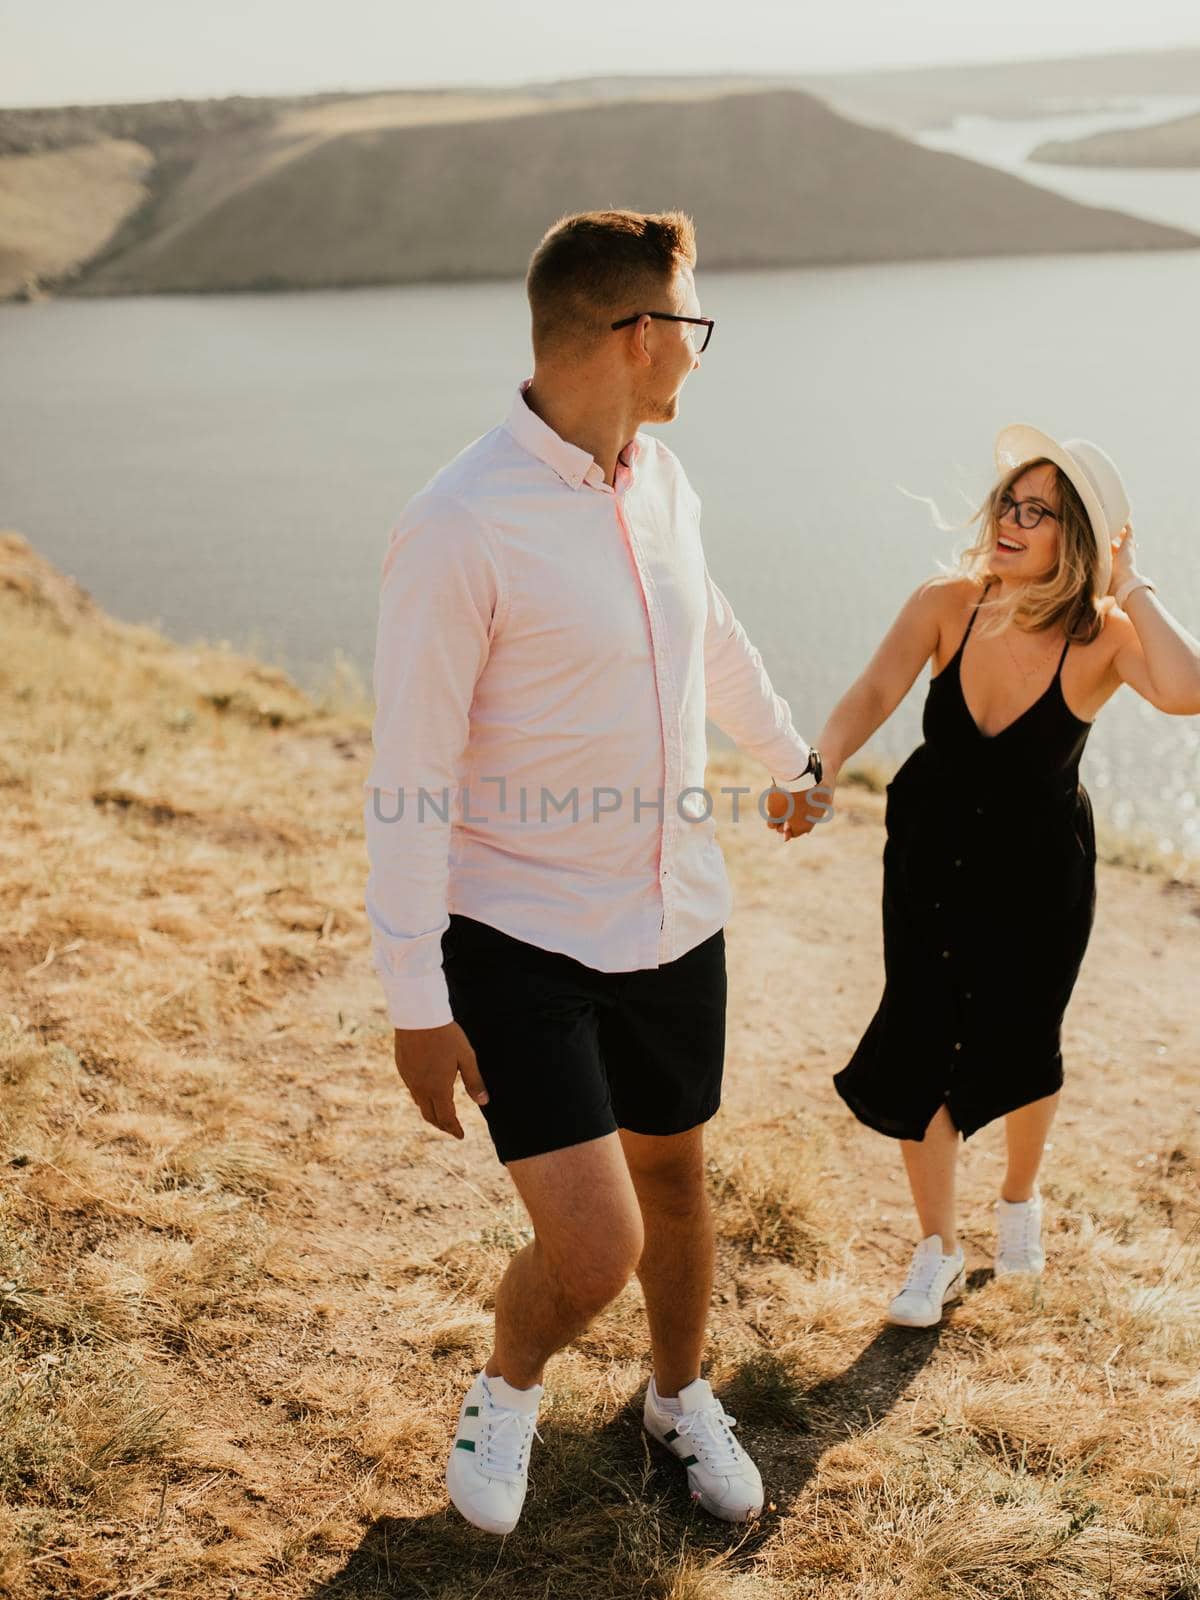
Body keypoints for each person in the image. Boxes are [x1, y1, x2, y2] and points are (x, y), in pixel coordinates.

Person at [362, 209, 825, 1534]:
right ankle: (510, 1381)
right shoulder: (457, 527)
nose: (700, 350)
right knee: (595, 1248)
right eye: (694, 323)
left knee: (677, 1178)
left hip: (678, 914)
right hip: (519, 939)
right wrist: (415, 1001)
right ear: (637, 336)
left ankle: (680, 1399)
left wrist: (787, 753)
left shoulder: (664, 481)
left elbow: (711, 627)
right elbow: (409, 775)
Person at [773, 425, 1200, 1328]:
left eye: (1038, 511)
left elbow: (1186, 685)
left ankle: (1017, 1199)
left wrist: (1131, 582)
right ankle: (937, 1246)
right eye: (1010, 499)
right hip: (929, 855)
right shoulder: (947, 602)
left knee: (1023, 1040)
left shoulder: (1104, 634)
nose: (1011, 518)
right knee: (921, 1031)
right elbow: (872, 692)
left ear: (1074, 536)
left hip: (1041, 876)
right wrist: (825, 765)